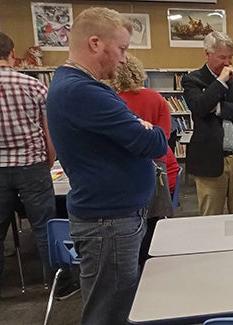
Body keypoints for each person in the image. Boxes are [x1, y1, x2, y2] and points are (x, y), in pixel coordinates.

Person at [46, 7, 168, 325]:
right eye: (123, 48)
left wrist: (140, 126)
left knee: (114, 305)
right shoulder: (84, 91)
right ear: (96, 43)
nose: (125, 59)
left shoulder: (71, 83)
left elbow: (144, 137)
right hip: (109, 223)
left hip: (109, 218)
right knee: (110, 312)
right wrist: (143, 127)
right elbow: (154, 143)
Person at [0, 32, 56, 295]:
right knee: (44, 226)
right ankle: (57, 282)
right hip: (32, 164)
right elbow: (49, 131)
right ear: (12, 54)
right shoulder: (33, 85)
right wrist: (50, 160)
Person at [182, 31, 233, 215]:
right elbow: (200, 107)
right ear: (207, 54)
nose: (227, 63)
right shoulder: (192, 79)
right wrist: (220, 81)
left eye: (230, 57)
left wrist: (219, 109)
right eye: (222, 57)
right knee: (211, 219)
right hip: (210, 160)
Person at [108, 52, 179, 194]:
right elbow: (164, 136)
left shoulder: (113, 102)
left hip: (133, 173)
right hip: (165, 170)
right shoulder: (157, 98)